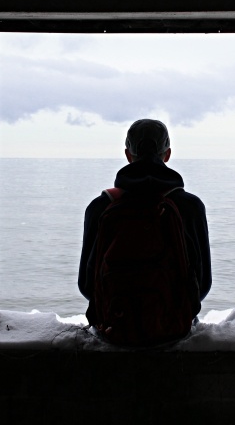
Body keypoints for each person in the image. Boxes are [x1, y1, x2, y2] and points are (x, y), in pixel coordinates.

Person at [78, 118, 212, 335]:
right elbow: (202, 285)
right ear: (167, 154)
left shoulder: (101, 206)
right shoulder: (190, 206)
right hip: (173, 331)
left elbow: (86, 285)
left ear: (128, 155)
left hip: (113, 330)